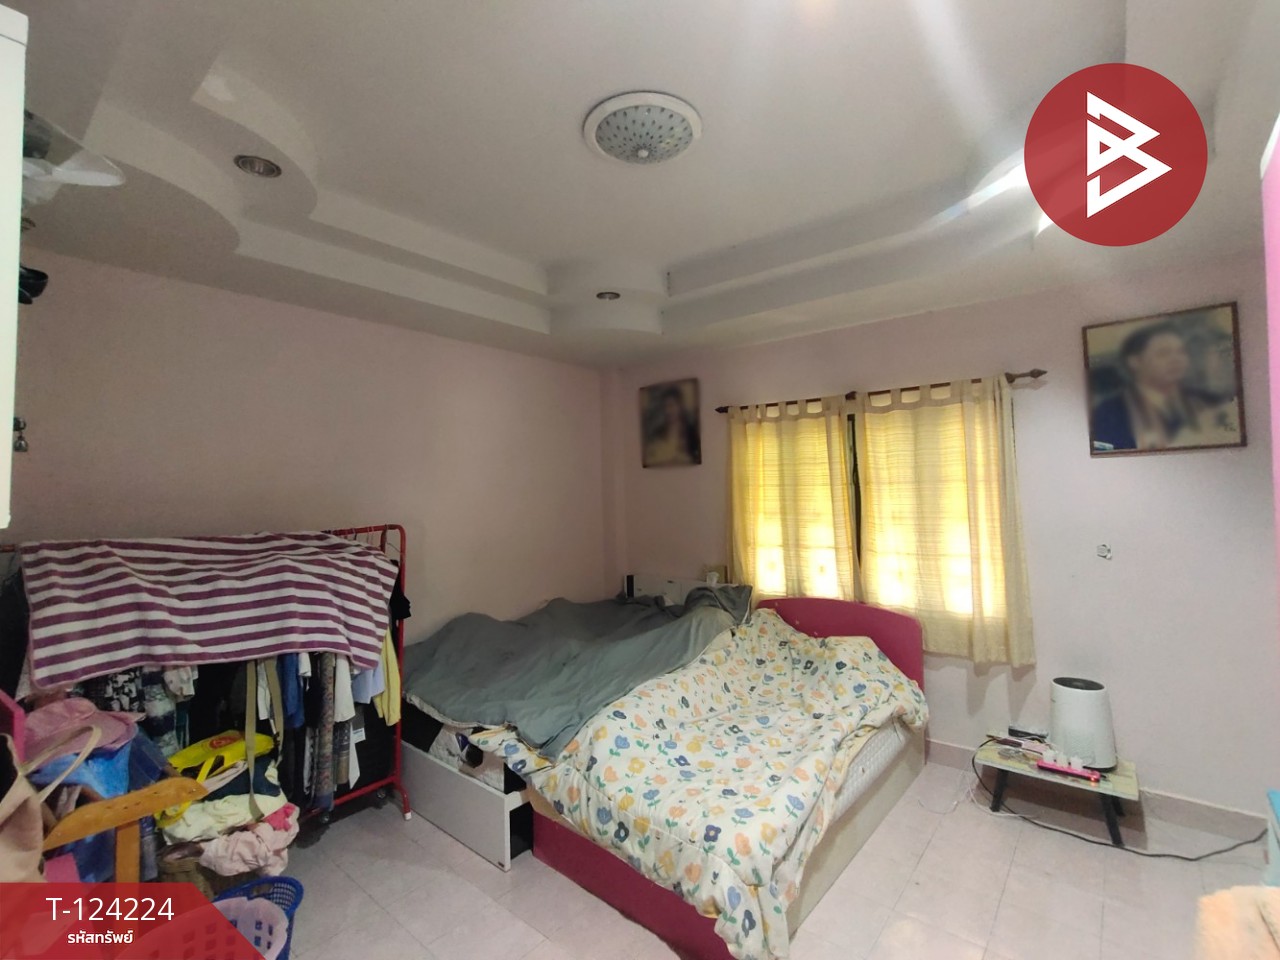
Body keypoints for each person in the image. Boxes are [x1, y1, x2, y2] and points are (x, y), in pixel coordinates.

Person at [1090, 322, 1236, 451]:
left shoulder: (1207, 401)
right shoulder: (1109, 412)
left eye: (1181, 352)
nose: (1176, 359)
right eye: (1163, 353)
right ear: (1135, 362)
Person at [643, 386, 700, 466]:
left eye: (671, 405)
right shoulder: (657, 434)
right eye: (665, 406)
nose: (668, 411)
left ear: (680, 406)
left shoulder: (691, 433)